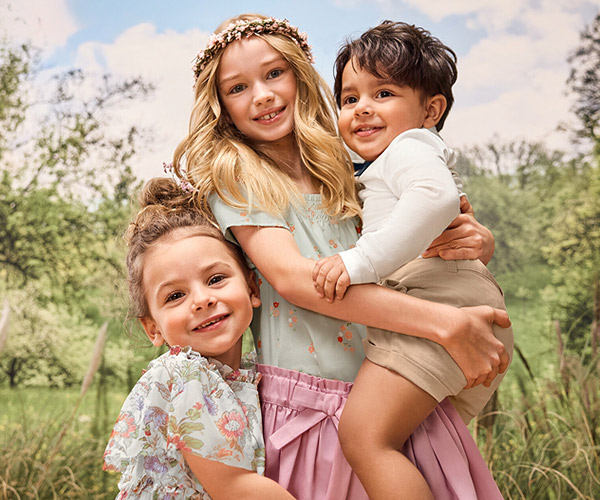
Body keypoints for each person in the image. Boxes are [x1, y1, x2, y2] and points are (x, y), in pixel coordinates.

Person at [173, 13, 510, 500]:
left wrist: (477, 239)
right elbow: (295, 280)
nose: (262, 95)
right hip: (311, 402)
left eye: (274, 73)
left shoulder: (349, 159)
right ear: (221, 106)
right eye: (238, 88)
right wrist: (443, 323)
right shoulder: (237, 177)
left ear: (299, 75)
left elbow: (422, 217)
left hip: (389, 378)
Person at [309, 20, 515, 498]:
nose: (362, 108)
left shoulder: (410, 147)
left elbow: (435, 199)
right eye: (349, 98)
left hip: (440, 299)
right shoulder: (381, 161)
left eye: (383, 93)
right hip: (439, 302)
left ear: (430, 110)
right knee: (422, 446)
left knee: (365, 438)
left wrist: (359, 262)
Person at [103, 178, 295, 499]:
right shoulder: (185, 376)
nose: (202, 300)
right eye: (175, 295)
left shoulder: (244, 373)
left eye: (216, 279)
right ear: (153, 328)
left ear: (252, 287)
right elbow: (235, 487)